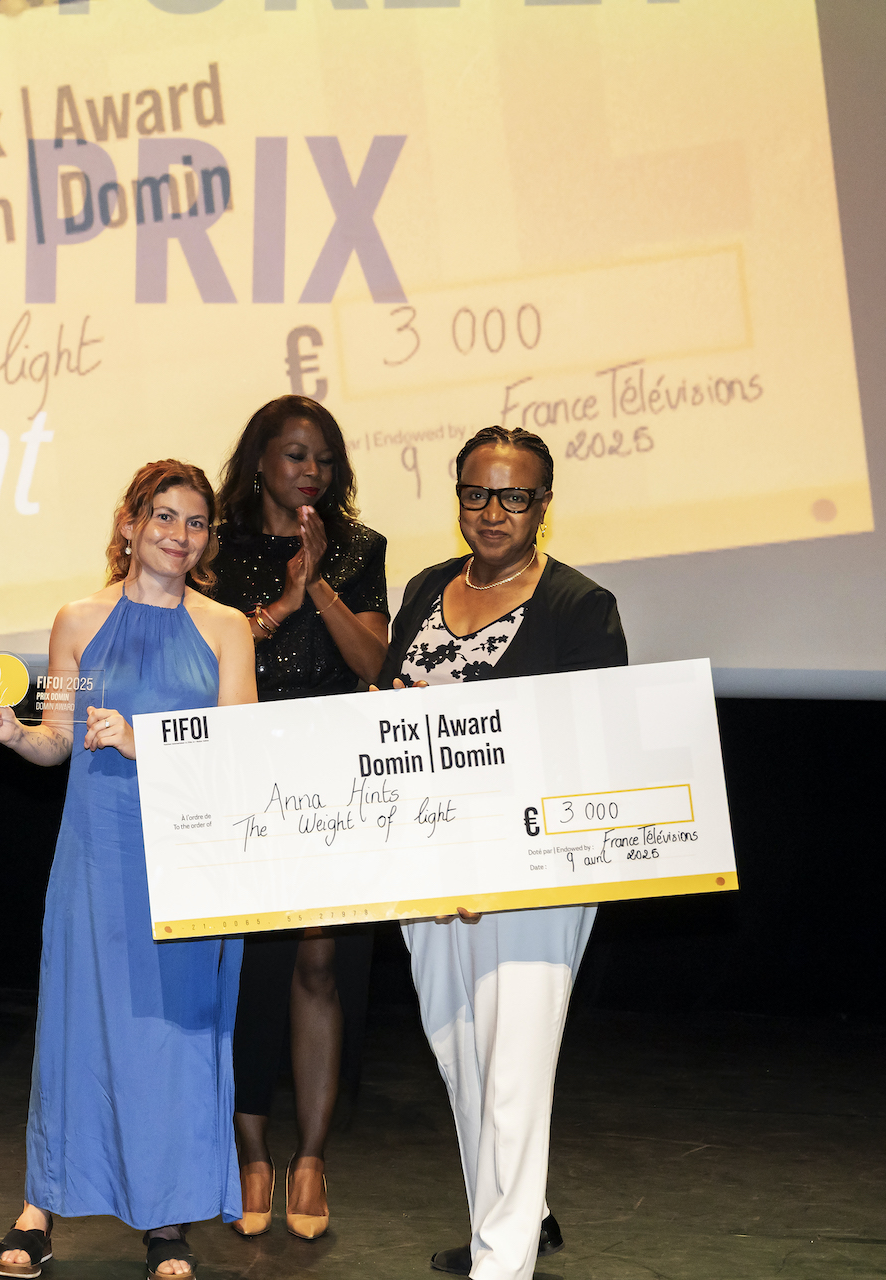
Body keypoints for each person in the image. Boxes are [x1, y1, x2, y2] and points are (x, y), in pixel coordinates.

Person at [0, 460, 257, 1280]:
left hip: (187, 857)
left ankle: (166, 1220)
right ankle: (40, 1204)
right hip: (98, 857)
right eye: (163, 516)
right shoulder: (80, 620)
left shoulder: (225, 628)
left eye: (195, 522)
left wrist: (146, 743)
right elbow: (58, 737)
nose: (179, 535)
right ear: (130, 523)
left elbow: (239, 753)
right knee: (77, 1029)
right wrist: (14, 733)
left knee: (172, 1039)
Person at [377, 426, 626, 1280]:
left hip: (531, 867)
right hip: (429, 858)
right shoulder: (424, 588)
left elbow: (593, 743)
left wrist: (504, 857)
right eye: (476, 493)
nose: (493, 511)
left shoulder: (578, 606)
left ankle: (503, 1262)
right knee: (460, 1054)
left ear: (543, 505)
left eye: (514, 495)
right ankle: (505, 1225)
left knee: (514, 1063)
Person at [207, 395, 390, 1239]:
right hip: (242, 765)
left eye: (324, 458)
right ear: (259, 461)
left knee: (320, 961)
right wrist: (280, 598)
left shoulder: (357, 548)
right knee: (249, 967)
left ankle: (310, 1157)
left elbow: (372, 660)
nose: (311, 470)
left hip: (332, 771)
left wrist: (315, 584)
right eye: (294, 454)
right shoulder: (214, 545)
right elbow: (209, 650)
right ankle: (250, 1154)